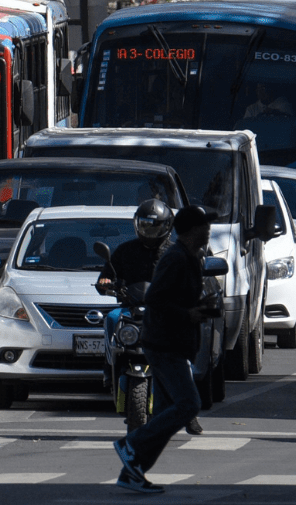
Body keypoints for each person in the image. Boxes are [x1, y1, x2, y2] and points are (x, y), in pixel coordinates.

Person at [113, 205, 218, 494]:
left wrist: (200, 308)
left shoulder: (188, 257)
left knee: (164, 413)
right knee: (189, 405)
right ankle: (131, 444)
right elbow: (157, 300)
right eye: (204, 227)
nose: (208, 231)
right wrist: (189, 314)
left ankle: (133, 472)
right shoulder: (175, 259)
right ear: (191, 231)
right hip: (164, 344)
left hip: (172, 343)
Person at [97, 199, 203, 436]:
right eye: (145, 226)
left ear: (166, 227)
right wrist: (105, 283)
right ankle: (109, 366)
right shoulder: (125, 251)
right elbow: (107, 276)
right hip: (131, 308)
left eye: (154, 227)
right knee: (111, 318)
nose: (149, 232)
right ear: (137, 225)